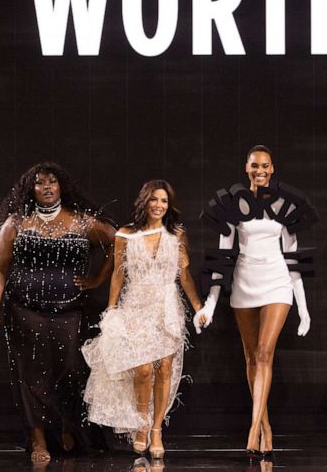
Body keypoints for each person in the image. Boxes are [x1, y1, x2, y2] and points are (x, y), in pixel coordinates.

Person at [0, 162, 115, 463]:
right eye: (40, 183)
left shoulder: (81, 222)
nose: (46, 187)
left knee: (70, 371)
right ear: (32, 189)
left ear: (61, 186)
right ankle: (38, 439)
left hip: (70, 311)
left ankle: (68, 425)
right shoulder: (17, 223)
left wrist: (96, 280)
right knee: (30, 376)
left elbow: (118, 242)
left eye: (52, 182)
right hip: (23, 310)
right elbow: (0, 269)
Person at [196, 145, 318, 458]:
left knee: (265, 352)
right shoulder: (233, 206)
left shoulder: (285, 205)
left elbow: (292, 256)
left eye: (265, 165)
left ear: (273, 168)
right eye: (254, 165)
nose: (259, 171)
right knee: (251, 357)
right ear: (246, 167)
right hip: (244, 282)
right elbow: (223, 256)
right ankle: (265, 427)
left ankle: (253, 431)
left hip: (277, 282)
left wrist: (303, 309)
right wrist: (210, 304)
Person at [82, 180, 203, 458]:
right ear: (144, 202)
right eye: (154, 200)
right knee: (143, 369)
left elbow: (184, 275)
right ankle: (141, 423)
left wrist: (198, 307)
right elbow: (118, 273)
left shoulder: (177, 235)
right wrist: (111, 312)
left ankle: (157, 429)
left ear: (169, 205)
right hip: (135, 307)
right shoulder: (126, 234)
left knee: (164, 370)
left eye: (163, 200)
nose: (158, 205)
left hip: (167, 309)